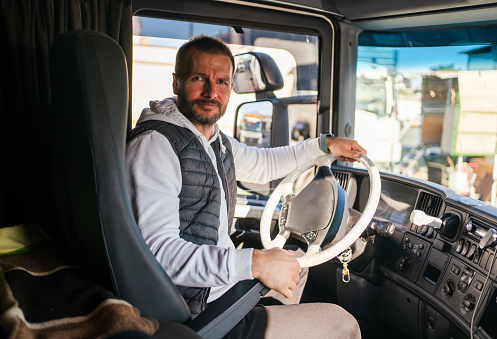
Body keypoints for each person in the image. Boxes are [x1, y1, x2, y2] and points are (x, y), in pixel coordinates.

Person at [125, 35, 365, 338]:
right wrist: (253, 263)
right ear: (176, 83)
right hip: (195, 310)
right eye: (200, 79)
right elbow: (159, 254)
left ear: (231, 89)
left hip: (216, 290)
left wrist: (324, 145)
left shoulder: (213, 139)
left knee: (295, 262)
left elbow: (265, 164)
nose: (212, 92)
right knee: (342, 324)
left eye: (222, 82)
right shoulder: (156, 146)